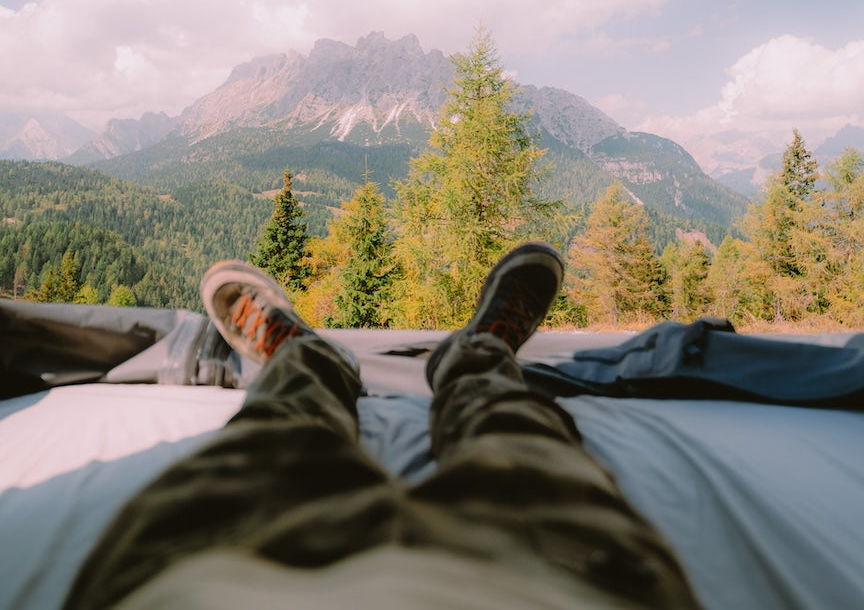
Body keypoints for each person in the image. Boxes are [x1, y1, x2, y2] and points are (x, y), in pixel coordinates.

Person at [65, 242, 700, 608]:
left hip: (199, 580)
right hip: (566, 583)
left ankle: (306, 360)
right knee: (520, 435)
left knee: (275, 433)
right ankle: (478, 356)